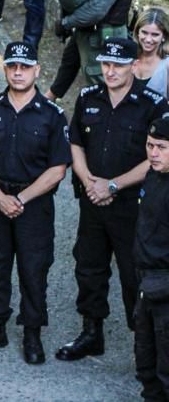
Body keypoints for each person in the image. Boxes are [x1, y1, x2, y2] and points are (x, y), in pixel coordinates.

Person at [57, 37, 167, 361]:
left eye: (118, 65)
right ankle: (92, 333)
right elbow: (75, 141)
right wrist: (89, 180)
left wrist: (113, 185)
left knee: (135, 274)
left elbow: (157, 156)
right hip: (93, 200)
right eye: (106, 63)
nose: (110, 70)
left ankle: (144, 347)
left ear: (134, 65)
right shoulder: (88, 96)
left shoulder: (153, 104)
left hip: (132, 205)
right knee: (89, 268)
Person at [0, 41, 70, 363]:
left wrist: (20, 198)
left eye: (25, 67)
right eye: (12, 66)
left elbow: (58, 169)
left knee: (33, 268)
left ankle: (32, 332)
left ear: (37, 71)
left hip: (34, 204)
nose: (19, 72)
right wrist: (0, 197)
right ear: (5, 69)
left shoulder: (52, 115)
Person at [134, 115, 169, 399]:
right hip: (146, 281)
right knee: (146, 360)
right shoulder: (153, 176)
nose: (153, 153)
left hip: (165, 286)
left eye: (161, 147)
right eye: (150, 145)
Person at [134, 8, 169, 96]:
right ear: (138, 32)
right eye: (144, 33)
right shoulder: (128, 57)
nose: (148, 39)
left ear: (164, 36)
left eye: (155, 34)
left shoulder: (167, 65)